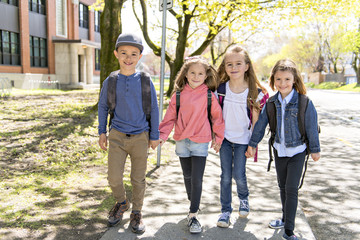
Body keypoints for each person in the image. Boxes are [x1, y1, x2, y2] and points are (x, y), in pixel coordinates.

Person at [245, 59, 320, 240]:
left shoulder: (304, 102)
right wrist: (252, 144)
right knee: (282, 187)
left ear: (294, 80)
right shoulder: (271, 103)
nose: (283, 83)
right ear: (273, 80)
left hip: (298, 151)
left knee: (292, 189)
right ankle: (285, 218)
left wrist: (315, 149)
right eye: (278, 79)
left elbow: (311, 126)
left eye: (287, 79)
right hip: (279, 151)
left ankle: (289, 231)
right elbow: (261, 126)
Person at [98, 33, 160, 234]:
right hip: (116, 135)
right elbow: (102, 107)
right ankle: (121, 202)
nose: (128, 57)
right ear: (116, 54)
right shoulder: (111, 80)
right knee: (114, 177)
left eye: (133, 54)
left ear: (140, 56)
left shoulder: (144, 80)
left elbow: (154, 108)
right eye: (123, 53)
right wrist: (102, 132)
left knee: (138, 178)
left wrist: (154, 134)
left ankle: (137, 212)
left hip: (140, 136)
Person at [159, 56, 225, 234]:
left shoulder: (209, 95)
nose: (196, 76)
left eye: (200, 73)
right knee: (187, 176)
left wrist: (218, 138)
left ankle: (193, 214)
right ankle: (193, 201)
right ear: (186, 74)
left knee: (197, 178)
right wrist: (162, 136)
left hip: (200, 142)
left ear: (206, 76)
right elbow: (169, 118)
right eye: (193, 73)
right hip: (182, 140)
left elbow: (217, 118)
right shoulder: (178, 95)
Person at [215, 45, 269, 228]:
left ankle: (244, 199)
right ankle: (225, 210)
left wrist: (252, 144)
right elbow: (214, 115)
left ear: (247, 66)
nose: (234, 67)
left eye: (238, 63)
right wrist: (216, 137)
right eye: (229, 64)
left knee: (239, 175)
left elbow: (257, 123)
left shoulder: (255, 92)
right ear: (225, 67)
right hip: (225, 140)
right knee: (225, 176)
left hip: (243, 141)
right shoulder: (221, 89)